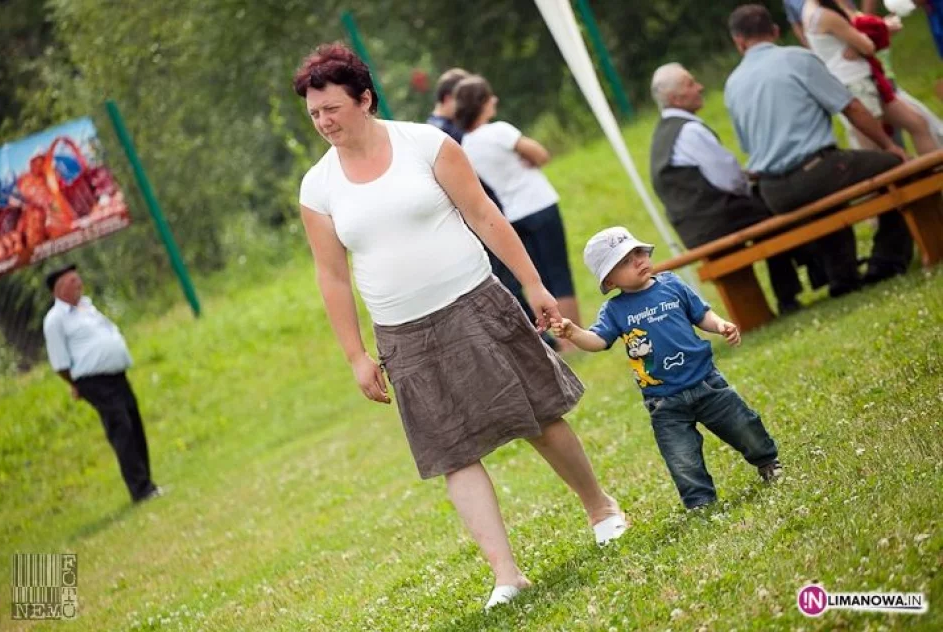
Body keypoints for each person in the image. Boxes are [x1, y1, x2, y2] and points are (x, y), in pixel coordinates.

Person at [293, 43, 627, 610]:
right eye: (314, 114)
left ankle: (602, 510)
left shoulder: (427, 145)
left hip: (475, 303)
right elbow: (332, 278)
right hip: (403, 335)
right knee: (453, 452)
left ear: (365, 99)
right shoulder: (318, 187)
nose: (324, 122)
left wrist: (534, 284)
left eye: (332, 109)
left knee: (537, 417)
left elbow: (485, 216)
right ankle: (506, 575)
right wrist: (355, 356)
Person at [551, 227, 782, 510]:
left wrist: (720, 325)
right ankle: (701, 503)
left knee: (744, 426)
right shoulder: (614, 311)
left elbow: (701, 314)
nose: (637, 260)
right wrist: (574, 333)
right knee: (681, 458)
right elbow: (598, 341)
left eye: (638, 252)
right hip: (664, 402)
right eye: (625, 261)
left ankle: (768, 462)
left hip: (707, 383)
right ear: (610, 281)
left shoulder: (672, 284)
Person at [725, 4, 912, 296]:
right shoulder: (797, 59)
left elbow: (748, 146)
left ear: (739, 42)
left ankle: (843, 277)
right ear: (775, 31)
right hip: (816, 172)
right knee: (894, 168)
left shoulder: (732, 84)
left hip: (774, 191)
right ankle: (886, 261)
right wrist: (890, 146)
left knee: (824, 182)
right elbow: (850, 106)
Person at [649, 62, 807, 315]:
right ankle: (798, 289)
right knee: (779, 204)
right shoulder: (689, 130)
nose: (699, 87)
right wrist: (754, 183)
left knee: (769, 209)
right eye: (691, 83)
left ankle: (794, 290)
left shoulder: (661, 135)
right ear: (675, 97)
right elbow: (730, 179)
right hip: (719, 221)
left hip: (694, 231)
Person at [454, 75, 583, 350]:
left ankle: (559, 340)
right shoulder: (499, 130)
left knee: (540, 278)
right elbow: (540, 154)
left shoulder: (466, 145)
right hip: (539, 204)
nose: (495, 100)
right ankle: (575, 339)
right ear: (482, 103)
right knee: (558, 272)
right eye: (490, 97)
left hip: (512, 214)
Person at [425, 68, 547, 344]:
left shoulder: (451, 129)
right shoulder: (438, 135)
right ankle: (535, 339)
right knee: (504, 281)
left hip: (491, 211)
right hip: (473, 220)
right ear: (448, 98)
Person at [42, 263, 161, 503]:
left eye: (78, 279)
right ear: (60, 288)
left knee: (134, 424)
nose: (79, 284)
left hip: (116, 375)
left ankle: (148, 483)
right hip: (93, 381)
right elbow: (60, 363)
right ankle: (140, 489)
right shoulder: (55, 320)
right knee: (122, 428)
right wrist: (75, 384)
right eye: (72, 281)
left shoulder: (87, 306)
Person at [801, 0, 939, 155]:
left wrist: (875, 30)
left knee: (918, 123)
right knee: (873, 147)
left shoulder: (814, 8)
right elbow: (867, 46)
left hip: (864, 80)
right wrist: (872, 35)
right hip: (855, 85)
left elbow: (856, 27)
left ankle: (930, 173)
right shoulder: (826, 14)